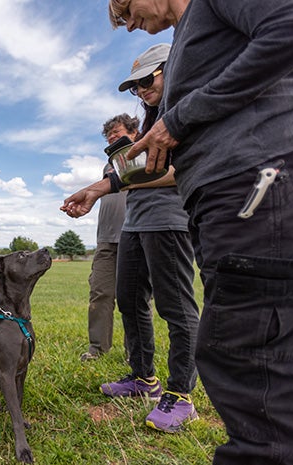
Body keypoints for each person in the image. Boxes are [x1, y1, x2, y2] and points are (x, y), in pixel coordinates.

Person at [110, 1, 293, 463]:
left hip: (258, 185)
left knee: (251, 360)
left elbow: (292, 23)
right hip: (228, 198)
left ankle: (186, 399)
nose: (130, 24)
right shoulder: (187, 38)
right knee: (247, 356)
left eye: (127, 9)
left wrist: (175, 121)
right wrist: (123, 169)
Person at [61, 43, 201, 433]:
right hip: (135, 224)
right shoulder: (154, 114)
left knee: (175, 307)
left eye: (145, 80)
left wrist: (101, 187)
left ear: (170, 70)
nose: (139, 90)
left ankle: (181, 394)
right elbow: (128, 176)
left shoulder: (183, 108)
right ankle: (143, 378)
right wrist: (95, 189)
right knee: (129, 301)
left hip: (168, 220)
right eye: (134, 86)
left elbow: (184, 168)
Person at [80, 115, 131, 362]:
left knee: (134, 298)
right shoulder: (109, 164)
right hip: (106, 239)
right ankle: (98, 349)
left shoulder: (142, 152)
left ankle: (136, 353)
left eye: (116, 131)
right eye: (108, 134)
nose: (111, 136)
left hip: (135, 235)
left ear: (133, 131)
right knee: (100, 293)